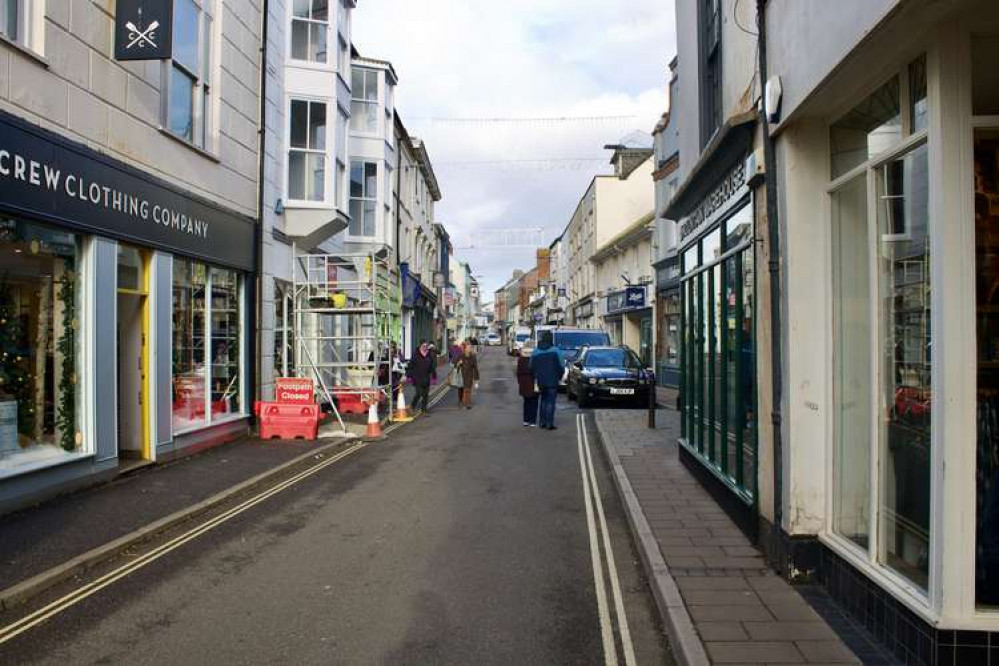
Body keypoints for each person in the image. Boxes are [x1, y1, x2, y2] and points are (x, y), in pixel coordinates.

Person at [530, 331, 565, 430]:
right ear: (551, 339)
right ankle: (549, 423)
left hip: (541, 380)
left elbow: (531, 366)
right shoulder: (556, 351)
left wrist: (536, 375)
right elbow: (562, 366)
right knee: (551, 402)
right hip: (553, 380)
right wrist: (559, 376)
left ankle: (542, 422)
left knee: (543, 401)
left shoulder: (536, 351)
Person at [407, 340, 437, 415]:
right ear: (420, 346)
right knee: (419, 393)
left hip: (426, 378)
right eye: (423, 346)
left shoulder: (429, 355)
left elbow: (432, 367)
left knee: (425, 395)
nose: (425, 348)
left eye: (426, 346)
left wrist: (434, 377)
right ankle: (412, 406)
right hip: (417, 378)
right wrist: (409, 377)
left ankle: (424, 410)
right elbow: (410, 366)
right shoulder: (416, 354)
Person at [516, 347, 538, 426]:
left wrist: (520, 382)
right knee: (534, 402)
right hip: (533, 383)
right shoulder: (535, 359)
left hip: (524, 383)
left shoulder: (521, 359)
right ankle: (532, 421)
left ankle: (526, 420)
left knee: (526, 402)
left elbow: (518, 372)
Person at [454, 340, 480, 409]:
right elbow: (455, 365)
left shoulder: (473, 356)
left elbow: (476, 368)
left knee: (467, 390)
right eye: (468, 348)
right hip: (461, 376)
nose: (469, 349)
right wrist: (459, 363)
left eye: (470, 347)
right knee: (461, 390)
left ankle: (467, 403)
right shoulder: (461, 356)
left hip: (469, 376)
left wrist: (476, 380)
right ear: (465, 348)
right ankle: (461, 401)